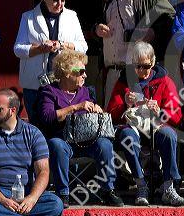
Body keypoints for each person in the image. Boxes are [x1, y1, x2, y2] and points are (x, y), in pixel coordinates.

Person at [36, 50, 124, 208]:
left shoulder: (85, 91)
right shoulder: (49, 91)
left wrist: (98, 110)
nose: (85, 75)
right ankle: (63, 192)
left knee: (105, 144)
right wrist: (75, 107)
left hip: (88, 141)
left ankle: (107, 190)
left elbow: (94, 116)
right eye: (81, 71)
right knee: (56, 144)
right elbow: (47, 117)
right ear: (67, 73)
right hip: (64, 141)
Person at [106, 41, 184, 206]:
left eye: (146, 66)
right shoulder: (124, 81)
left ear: (153, 62)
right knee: (127, 135)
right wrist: (125, 104)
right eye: (137, 66)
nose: (141, 71)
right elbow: (111, 114)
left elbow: (177, 117)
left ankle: (168, 187)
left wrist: (159, 111)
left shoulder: (165, 81)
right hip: (133, 127)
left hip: (156, 127)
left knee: (169, 134)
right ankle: (141, 184)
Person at [95, 0, 175, 106]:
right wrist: (97, 28)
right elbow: (101, 21)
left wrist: (152, 33)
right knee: (113, 122)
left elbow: (169, 19)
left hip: (137, 73)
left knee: (139, 124)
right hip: (112, 71)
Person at [14, 0, 88, 123]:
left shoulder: (72, 16)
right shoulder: (28, 17)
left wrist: (63, 45)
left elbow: (83, 47)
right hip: (35, 84)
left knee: (60, 128)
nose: (60, 4)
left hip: (63, 85)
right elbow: (18, 49)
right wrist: (40, 48)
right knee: (37, 126)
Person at [0, 89, 63, 215]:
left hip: (26, 192)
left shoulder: (33, 134)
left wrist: (32, 199)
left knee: (55, 204)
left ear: (12, 110)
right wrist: (2, 200)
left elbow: (43, 171)